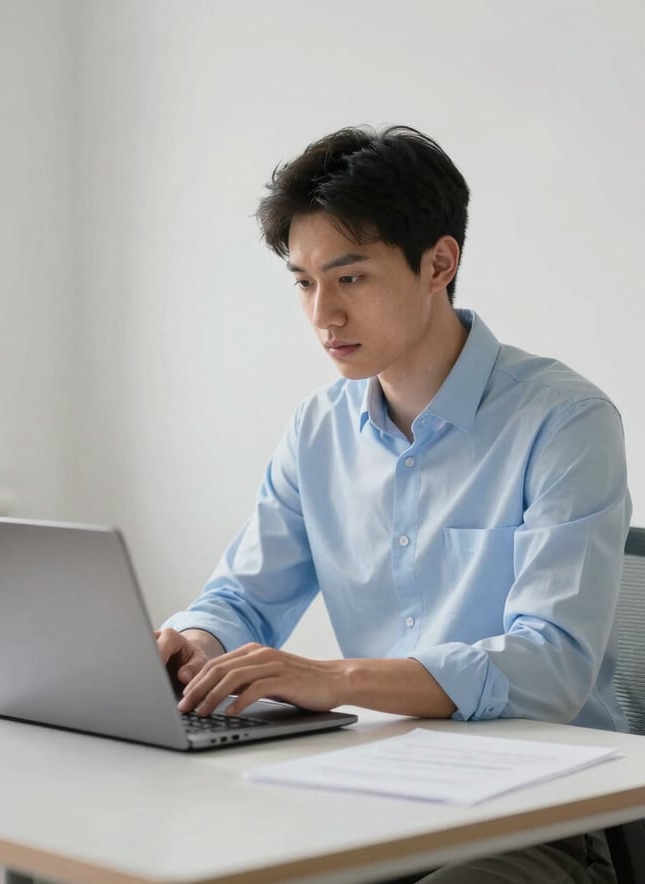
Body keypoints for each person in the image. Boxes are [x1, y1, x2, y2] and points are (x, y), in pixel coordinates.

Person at [156, 125, 631, 883]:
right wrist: (198, 644)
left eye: (351, 279)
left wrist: (335, 679)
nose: (323, 316)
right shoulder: (319, 429)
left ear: (439, 263)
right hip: (367, 794)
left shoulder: (564, 421)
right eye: (304, 282)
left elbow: (550, 666)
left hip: (538, 813)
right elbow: (240, 597)